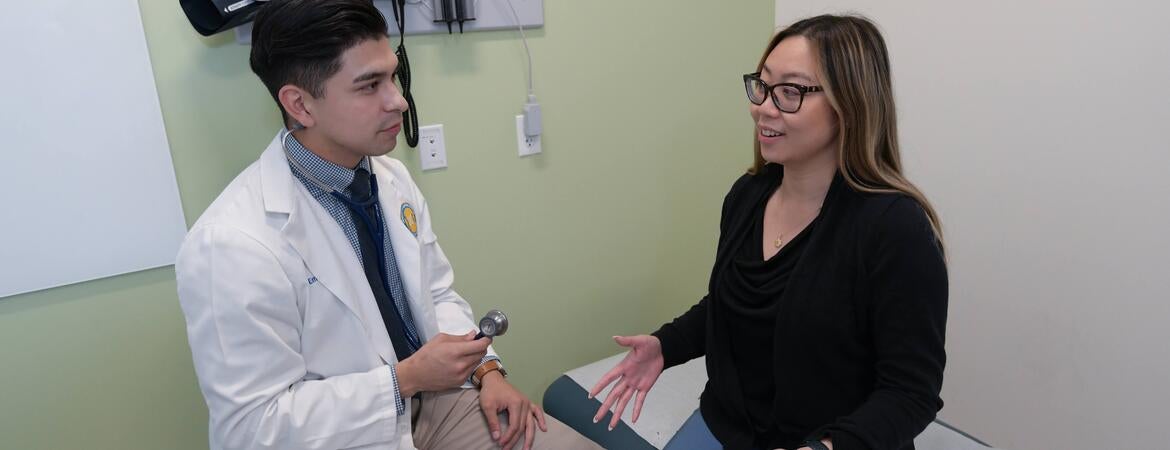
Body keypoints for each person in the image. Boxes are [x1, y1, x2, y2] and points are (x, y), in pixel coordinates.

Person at [174, 1, 600, 449]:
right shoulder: (229, 244)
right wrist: (402, 380)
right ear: (300, 104)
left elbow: (436, 293)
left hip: (436, 400)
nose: (398, 99)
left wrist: (487, 370)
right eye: (369, 85)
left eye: (392, 76)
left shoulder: (390, 177)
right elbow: (254, 429)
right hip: (343, 434)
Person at [589, 15, 948, 450]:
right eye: (762, 85)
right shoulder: (748, 196)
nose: (763, 106)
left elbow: (911, 392)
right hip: (727, 428)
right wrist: (666, 345)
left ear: (848, 105)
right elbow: (733, 303)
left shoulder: (894, 227)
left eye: (791, 92)